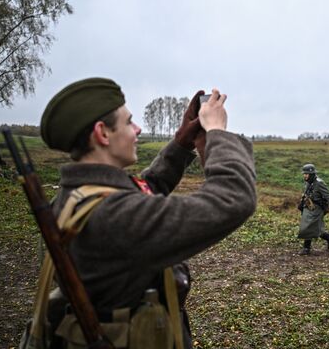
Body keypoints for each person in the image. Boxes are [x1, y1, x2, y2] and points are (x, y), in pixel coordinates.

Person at [37, 77, 257, 348]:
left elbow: (142, 192)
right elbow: (233, 199)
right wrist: (217, 133)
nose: (138, 129)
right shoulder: (115, 216)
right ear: (102, 133)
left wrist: (181, 143)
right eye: (129, 122)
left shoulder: (74, 198)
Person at [297, 163, 329, 255]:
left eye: (306, 174)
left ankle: (306, 248)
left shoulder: (319, 183)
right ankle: (328, 237)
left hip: (317, 209)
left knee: (309, 227)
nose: (305, 176)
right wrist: (301, 204)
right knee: (311, 228)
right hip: (308, 207)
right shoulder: (308, 182)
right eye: (304, 174)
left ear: (312, 174)